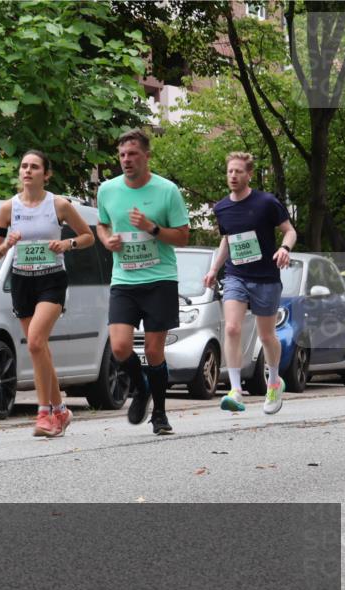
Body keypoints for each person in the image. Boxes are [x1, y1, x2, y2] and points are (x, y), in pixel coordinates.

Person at [0, 150, 95, 437]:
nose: (27, 171)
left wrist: (67, 244)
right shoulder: (7, 209)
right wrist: (6, 245)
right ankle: (61, 410)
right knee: (39, 348)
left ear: (45, 174)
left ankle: (45, 413)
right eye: (23, 166)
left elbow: (88, 237)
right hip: (23, 281)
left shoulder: (58, 205)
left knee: (35, 342)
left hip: (52, 280)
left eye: (34, 167)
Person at [96, 129, 190, 435]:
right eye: (122, 155)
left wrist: (152, 228)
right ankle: (140, 388)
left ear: (146, 156)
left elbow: (183, 237)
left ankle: (160, 414)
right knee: (121, 347)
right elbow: (102, 222)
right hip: (124, 279)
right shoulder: (108, 190)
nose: (126, 160)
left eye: (133, 154)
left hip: (160, 278)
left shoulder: (167, 191)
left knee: (153, 351)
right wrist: (105, 239)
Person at [203, 152, 296, 414]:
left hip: (266, 278)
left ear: (249, 174)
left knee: (266, 335)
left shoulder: (267, 202)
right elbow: (227, 240)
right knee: (232, 328)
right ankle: (235, 391)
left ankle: (274, 381)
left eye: (238, 172)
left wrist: (284, 248)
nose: (233, 176)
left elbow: (290, 230)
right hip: (236, 276)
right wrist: (213, 269)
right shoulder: (221, 207)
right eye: (230, 171)